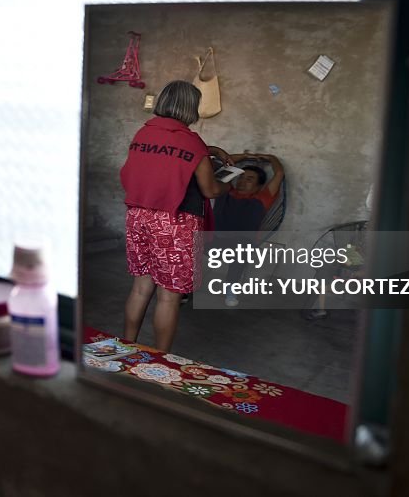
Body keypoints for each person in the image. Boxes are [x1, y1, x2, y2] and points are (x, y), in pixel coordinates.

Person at [119, 80, 232, 352]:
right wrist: (230, 184)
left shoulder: (143, 134)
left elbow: (164, 160)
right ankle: (160, 358)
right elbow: (210, 189)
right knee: (169, 298)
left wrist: (210, 150)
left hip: (138, 216)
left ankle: (125, 346)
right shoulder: (190, 141)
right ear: (191, 107)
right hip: (175, 224)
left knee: (140, 288)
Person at [212, 153, 285, 306]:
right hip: (213, 240)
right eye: (241, 177)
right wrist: (245, 156)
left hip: (239, 245)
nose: (242, 182)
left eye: (249, 179)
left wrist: (271, 158)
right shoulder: (224, 190)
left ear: (259, 186)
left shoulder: (262, 199)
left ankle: (230, 291)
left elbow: (279, 174)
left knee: (242, 249)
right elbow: (220, 165)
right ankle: (184, 289)